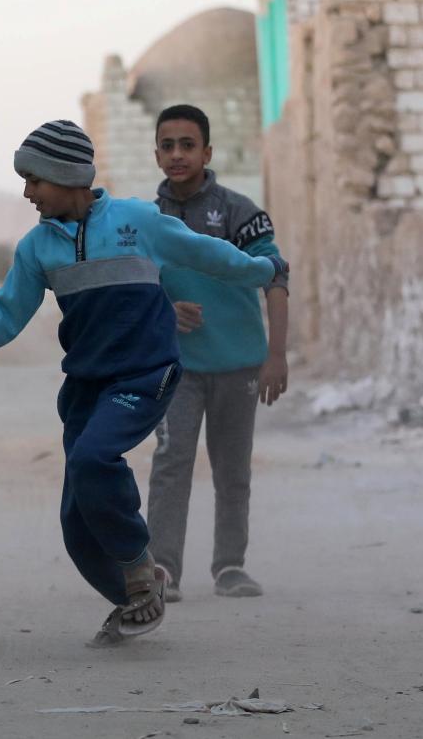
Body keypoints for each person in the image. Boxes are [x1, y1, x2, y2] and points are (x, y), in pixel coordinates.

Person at [0, 120, 285, 646]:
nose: (27, 192)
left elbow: (206, 253)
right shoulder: (38, 249)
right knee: (77, 524)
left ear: (69, 176)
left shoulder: (137, 221)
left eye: (35, 179)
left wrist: (262, 270)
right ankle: (137, 600)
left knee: (92, 460)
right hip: (86, 386)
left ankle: (139, 567)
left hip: (147, 373)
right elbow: (0, 320)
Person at [145, 104, 289, 602]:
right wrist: (165, 310)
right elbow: (132, 290)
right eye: (168, 145)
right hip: (176, 367)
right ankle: (162, 567)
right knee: (171, 460)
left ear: (207, 151)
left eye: (188, 145)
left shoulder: (238, 213)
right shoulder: (146, 221)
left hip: (239, 364)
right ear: (157, 153)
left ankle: (230, 566)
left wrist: (277, 355)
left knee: (232, 469)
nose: (178, 154)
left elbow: (276, 278)